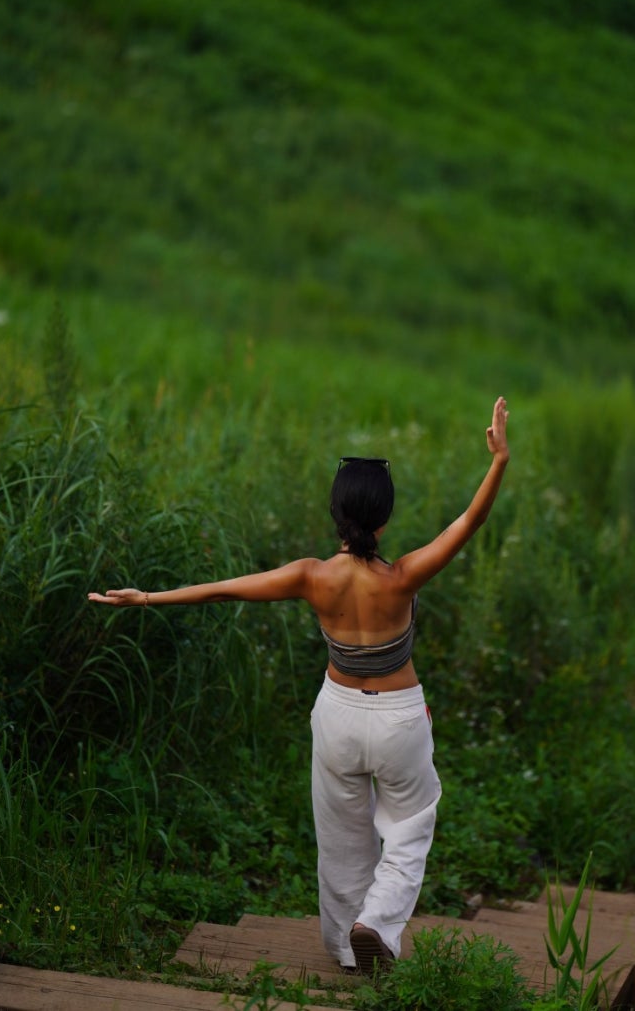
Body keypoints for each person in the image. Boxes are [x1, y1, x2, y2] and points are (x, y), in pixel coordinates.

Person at [88, 395, 509, 974]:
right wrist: (498, 461)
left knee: (341, 838)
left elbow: (225, 589)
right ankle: (376, 923)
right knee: (411, 829)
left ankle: (347, 950)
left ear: (336, 513)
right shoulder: (404, 576)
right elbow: (470, 521)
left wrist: (147, 598)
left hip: (337, 716)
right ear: (384, 518)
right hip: (399, 718)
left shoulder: (312, 576)